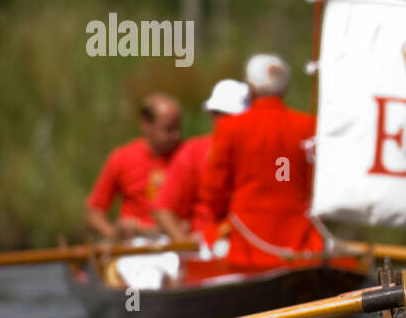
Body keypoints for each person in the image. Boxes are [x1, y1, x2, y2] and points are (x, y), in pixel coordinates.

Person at [200, 54, 322, 271]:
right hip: (301, 246)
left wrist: (221, 219)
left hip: (246, 247)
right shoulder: (310, 126)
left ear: (250, 87)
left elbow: (213, 191)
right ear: (285, 88)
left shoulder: (230, 128)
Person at [153, 79, 250, 248]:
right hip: (206, 249)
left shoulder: (263, 153)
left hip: (251, 245)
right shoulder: (193, 152)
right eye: (218, 114)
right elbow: (164, 210)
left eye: (230, 115)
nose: (224, 121)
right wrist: (186, 245)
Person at [85, 93, 183, 239]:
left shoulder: (187, 154)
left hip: (178, 239)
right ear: (146, 125)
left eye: (177, 128)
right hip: (136, 244)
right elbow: (93, 211)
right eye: (168, 130)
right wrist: (113, 233)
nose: (176, 135)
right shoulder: (122, 158)